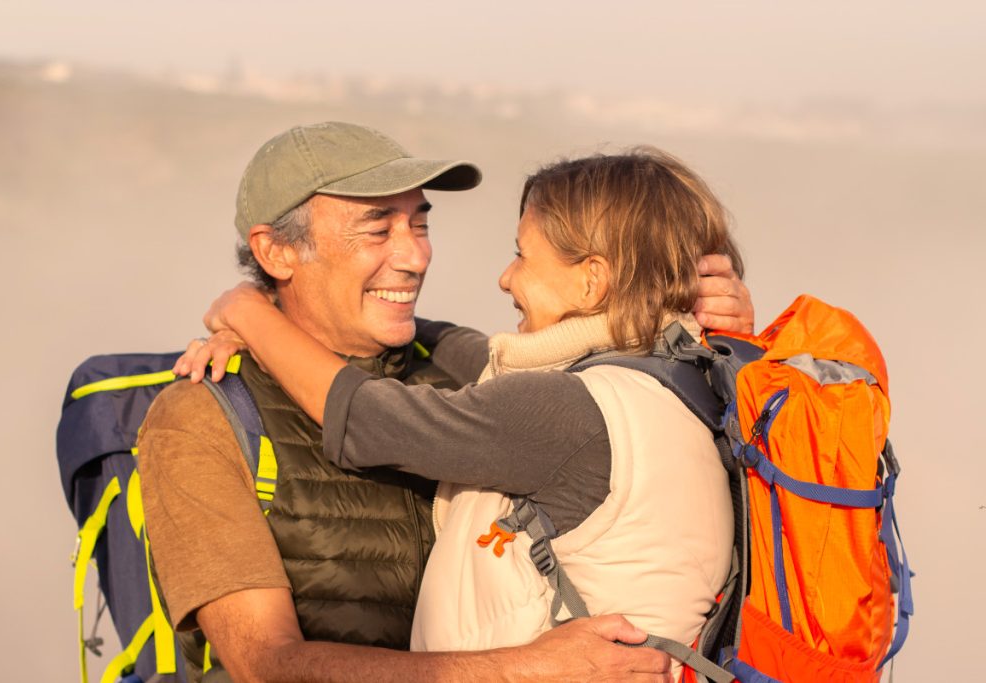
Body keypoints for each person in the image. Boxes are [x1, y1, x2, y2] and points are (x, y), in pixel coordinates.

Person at [177, 146, 750, 681]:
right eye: (380, 228)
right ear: (274, 251)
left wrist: (249, 311)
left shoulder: (563, 407)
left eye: (522, 255)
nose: (417, 255)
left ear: (593, 278)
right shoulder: (684, 381)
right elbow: (484, 355)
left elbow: (368, 419)